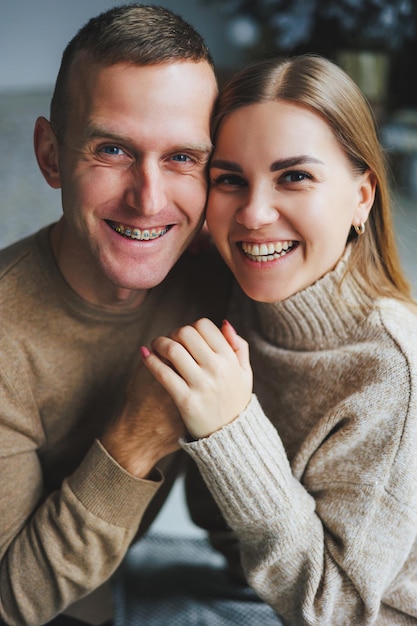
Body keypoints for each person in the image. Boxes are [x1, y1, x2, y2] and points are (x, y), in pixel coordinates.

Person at [142, 55, 417, 625]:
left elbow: (338, 611)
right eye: (230, 180)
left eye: (295, 176)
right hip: (249, 592)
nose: (255, 213)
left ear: (362, 196)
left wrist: (231, 429)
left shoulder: (391, 370)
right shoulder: (236, 296)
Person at [0, 5, 231, 625]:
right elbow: (10, 600)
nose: (149, 199)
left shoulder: (220, 279)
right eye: (112, 149)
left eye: (183, 157)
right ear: (51, 155)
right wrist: (134, 441)